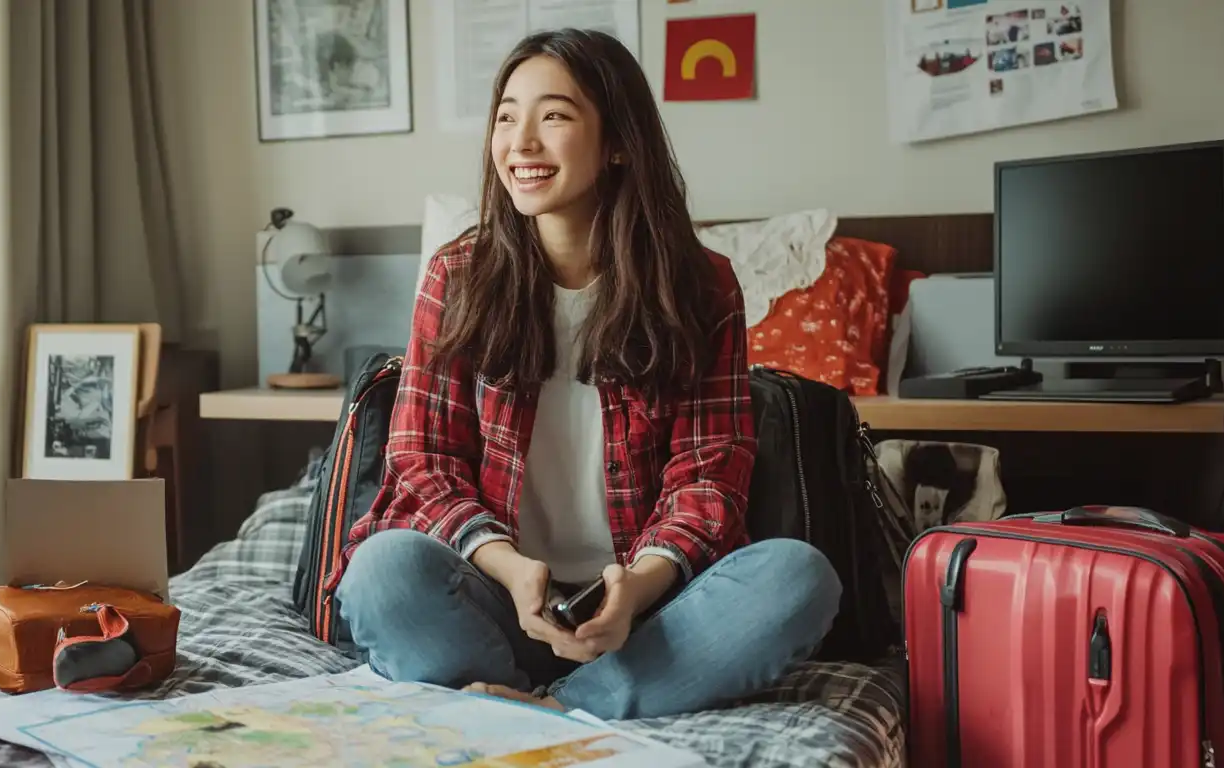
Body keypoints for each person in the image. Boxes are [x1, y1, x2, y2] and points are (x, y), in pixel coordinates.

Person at [330, 28, 841, 722]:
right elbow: (422, 460)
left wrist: (636, 587)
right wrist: (511, 569)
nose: (522, 143)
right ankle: (565, 707)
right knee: (384, 572)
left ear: (618, 142)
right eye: (507, 116)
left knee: (797, 578)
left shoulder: (702, 286)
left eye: (555, 116)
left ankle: (540, 712)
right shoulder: (457, 277)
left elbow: (711, 474)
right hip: (494, 604)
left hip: (644, 620)